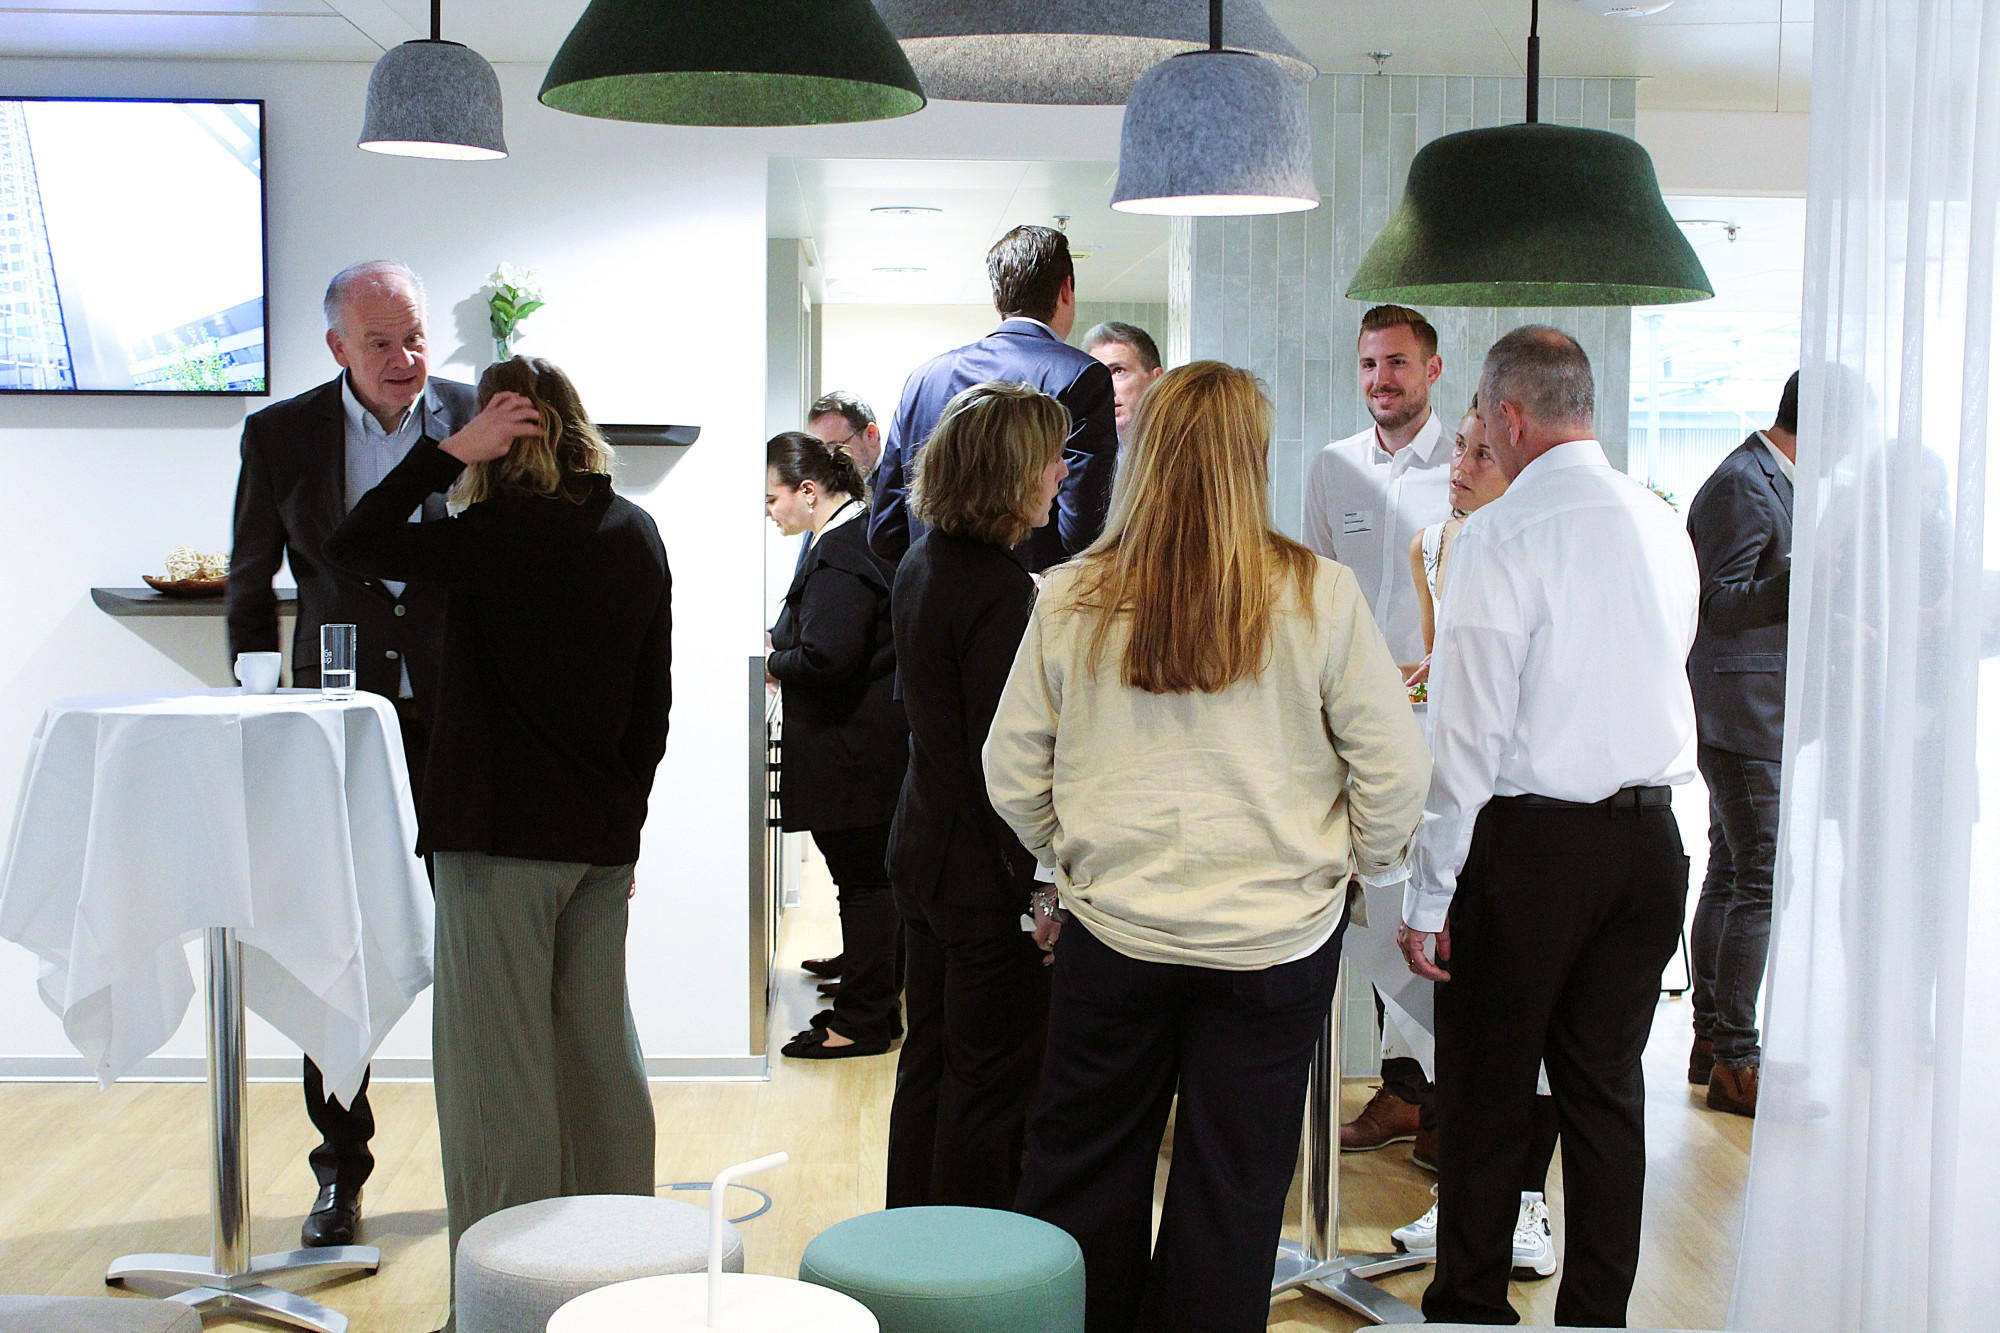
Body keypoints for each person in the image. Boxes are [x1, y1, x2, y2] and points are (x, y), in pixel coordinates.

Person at [988, 361, 1430, 1333]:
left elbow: (1010, 766)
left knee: (1081, 1175)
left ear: (1140, 455)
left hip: (1114, 929)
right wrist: (1353, 866)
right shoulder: (1319, 593)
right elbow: (1393, 771)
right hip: (1273, 938)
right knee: (1232, 1193)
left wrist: (1066, 858)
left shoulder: (1071, 596)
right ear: (1252, 459)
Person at [323, 356, 670, 1326]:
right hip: (598, 841)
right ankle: (620, 1282)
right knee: (600, 1061)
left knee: (495, 1081)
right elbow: (652, 704)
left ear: (496, 436)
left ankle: (503, 1305)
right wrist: (627, 835)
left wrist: (442, 455)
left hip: (494, 844)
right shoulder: (633, 533)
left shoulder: (486, 535)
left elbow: (351, 542)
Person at [1399, 327, 1698, 1327]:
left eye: (1480, 420)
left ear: (1510, 418)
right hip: (1651, 844)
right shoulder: (1661, 523)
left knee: (1485, 1097)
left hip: (1529, 851)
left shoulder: (1497, 536)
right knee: (1604, 1095)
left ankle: (1471, 1310)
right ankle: (1596, 1318)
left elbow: (1465, 735)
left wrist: (1426, 893)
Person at [226, 259, 478, 1249]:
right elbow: (251, 575)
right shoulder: (279, 433)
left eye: (415, 337)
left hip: (463, 719)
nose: (406, 359)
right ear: (336, 346)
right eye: (381, 343)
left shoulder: (474, 411)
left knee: (473, 937)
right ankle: (340, 1171)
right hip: (332, 724)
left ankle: (487, 1164)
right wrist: (255, 708)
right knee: (332, 941)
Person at [883, 381, 1070, 1210]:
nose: (1063, 474)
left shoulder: (925, 561)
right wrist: (1039, 882)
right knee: (988, 1083)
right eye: (1051, 459)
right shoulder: (1000, 590)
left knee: (928, 1061)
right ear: (1009, 474)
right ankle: (966, 1275)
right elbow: (1007, 763)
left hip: (924, 845)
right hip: (978, 868)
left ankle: (906, 1247)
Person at [1388, 396, 1560, 1282]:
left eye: (1482, 453)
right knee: (1458, 1028)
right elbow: (1442, 672)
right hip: (1444, 789)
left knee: (1523, 1031)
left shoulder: (1542, 549)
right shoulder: (1435, 544)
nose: (1460, 464)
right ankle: (1464, 1199)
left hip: (1520, 805)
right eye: (1458, 446)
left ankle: (1525, 1206)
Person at [1303, 304, 1452, 1162]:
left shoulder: (1465, 469)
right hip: (1352, 724)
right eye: (1367, 365)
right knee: (1368, 905)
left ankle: (1442, 1104)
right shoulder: (1334, 468)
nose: (1379, 381)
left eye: (1396, 363)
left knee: (1435, 907)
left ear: (1431, 370)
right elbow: (1319, 590)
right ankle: (1400, 1094)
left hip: (1439, 725)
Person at [764, 431, 908, 1059]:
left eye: (772, 499)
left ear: (808, 491)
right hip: (867, 749)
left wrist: (775, 661)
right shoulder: (855, 541)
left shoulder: (841, 555)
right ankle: (873, 999)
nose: (768, 512)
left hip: (855, 754)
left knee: (866, 884)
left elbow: (828, 657)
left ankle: (865, 1019)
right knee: (872, 883)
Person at [868, 224, 1118, 572]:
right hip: (1030, 612)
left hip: (930, 603)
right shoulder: (1081, 377)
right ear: (1066, 289)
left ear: (997, 298)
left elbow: (885, 530)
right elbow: (1084, 530)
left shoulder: (923, 379)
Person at [1686, 371, 1797, 1118]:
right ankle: (1736, 1060)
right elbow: (1716, 604)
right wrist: (1802, 579)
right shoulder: (1744, 483)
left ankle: (1710, 1042)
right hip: (1738, 711)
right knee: (1759, 873)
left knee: (1732, 868)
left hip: (1752, 708)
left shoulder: (1769, 478)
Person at [1081, 320, 1165, 442]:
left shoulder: (1187, 442)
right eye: (1096, 376)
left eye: (1119, 371)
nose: (1105, 389)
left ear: (1157, 379)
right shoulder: (1078, 451)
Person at [808, 390, 885, 477]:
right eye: (819, 453)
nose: (825, 463)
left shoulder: (898, 484)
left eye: (834, 447)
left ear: (871, 435)